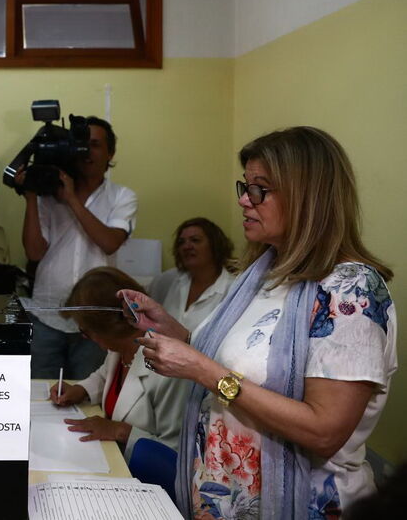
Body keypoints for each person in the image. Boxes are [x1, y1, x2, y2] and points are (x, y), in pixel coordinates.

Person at [129, 126, 396, 519]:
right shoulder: (263, 276)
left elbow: (324, 431)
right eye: (245, 185)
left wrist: (202, 369)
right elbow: (249, 363)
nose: (243, 200)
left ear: (307, 197)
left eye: (260, 189)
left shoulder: (349, 289)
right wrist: (178, 334)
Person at [20, 115, 137, 379]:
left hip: (97, 318)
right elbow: (34, 253)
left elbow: (109, 242)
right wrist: (30, 196)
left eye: (95, 145)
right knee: (40, 393)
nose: (86, 152)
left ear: (110, 152)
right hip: (47, 314)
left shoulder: (122, 196)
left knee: (89, 394)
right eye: (81, 145)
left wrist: (71, 199)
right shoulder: (49, 197)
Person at [49, 267, 190, 460]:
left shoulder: (168, 368)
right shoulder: (120, 349)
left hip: (147, 478)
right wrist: (80, 390)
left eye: (86, 331)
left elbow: (175, 451)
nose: (85, 337)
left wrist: (120, 431)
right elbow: (104, 376)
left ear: (107, 329)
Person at [148, 217, 236, 334]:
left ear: (215, 245)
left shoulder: (233, 288)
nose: (187, 246)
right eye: (181, 242)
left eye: (195, 240)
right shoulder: (165, 281)